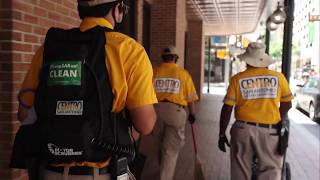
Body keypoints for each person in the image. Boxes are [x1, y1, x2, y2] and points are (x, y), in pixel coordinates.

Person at [16, 0, 158, 179]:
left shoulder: (49, 49)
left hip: (49, 172)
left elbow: (23, 114)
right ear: (117, 10)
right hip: (103, 173)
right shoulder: (130, 50)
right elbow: (145, 125)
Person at [218, 42, 293, 180]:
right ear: (264, 60)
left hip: (243, 129)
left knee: (240, 171)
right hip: (269, 131)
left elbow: (227, 108)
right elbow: (287, 103)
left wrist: (222, 134)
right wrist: (278, 117)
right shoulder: (278, 77)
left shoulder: (237, 79)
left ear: (247, 61)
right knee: (271, 170)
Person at [148, 45, 199, 180]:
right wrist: (192, 114)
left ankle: (157, 173)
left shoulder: (154, 72)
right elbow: (191, 99)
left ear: (163, 58)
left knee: (158, 145)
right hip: (175, 113)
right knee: (170, 150)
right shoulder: (183, 74)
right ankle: (164, 176)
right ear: (176, 58)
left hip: (155, 111)